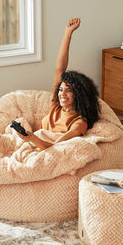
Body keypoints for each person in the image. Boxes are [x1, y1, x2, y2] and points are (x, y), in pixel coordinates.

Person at [17, 18, 100, 149]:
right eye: (61, 90)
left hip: (44, 148)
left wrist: (32, 139)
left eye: (68, 90)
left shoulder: (79, 122)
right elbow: (60, 69)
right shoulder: (57, 105)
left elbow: (55, 147)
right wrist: (68, 33)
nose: (62, 94)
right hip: (33, 141)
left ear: (79, 94)